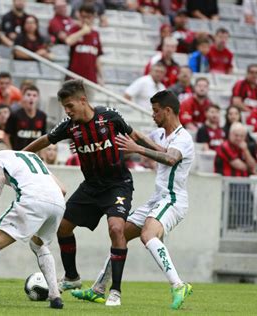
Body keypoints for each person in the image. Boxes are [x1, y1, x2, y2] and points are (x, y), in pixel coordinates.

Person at [22, 79, 158, 306]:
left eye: (70, 106)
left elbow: (137, 136)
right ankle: (72, 277)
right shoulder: (70, 126)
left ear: (83, 100)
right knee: (63, 227)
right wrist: (17, 155)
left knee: (116, 229)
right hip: (91, 187)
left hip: (118, 184)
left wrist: (161, 153)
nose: (67, 111)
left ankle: (115, 291)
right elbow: (45, 140)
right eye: (65, 107)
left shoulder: (109, 117)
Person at [70, 90, 195, 310]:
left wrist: (139, 149)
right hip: (157, 198)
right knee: (121, 235)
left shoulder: (183, 138)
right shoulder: (159, 135)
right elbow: (124, 147)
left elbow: (171, 158)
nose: (152, 115)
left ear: (168, 111)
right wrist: (87, 147)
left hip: (173, 199)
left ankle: (178, 285)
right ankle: (99, 289)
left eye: (156, 111)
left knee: (148, 235)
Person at [0, 141, 66, 309]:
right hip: (58, 203)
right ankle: (55, 296)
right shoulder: (32, 156)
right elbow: (63, 189)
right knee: (39, 245)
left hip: (33, 199)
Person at [66, 4, 103, 84]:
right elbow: (68, 41)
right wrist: (83, 31)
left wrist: (100, 76)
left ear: (93, 17)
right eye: (83, 16)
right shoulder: (74, 29)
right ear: (79, 15)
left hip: (91, 78)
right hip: (74, 76)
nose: (86, 20)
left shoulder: (95, 34)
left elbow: (97, 57)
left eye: (89, 17)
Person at [4, 85, 46, 150]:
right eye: (28, 95)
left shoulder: (42, 116)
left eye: (34, 95)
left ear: (38, 98)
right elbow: (6, 136)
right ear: (23, 97)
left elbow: (43, 138)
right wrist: (11, 152)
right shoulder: (14, 115)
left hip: (34, 154)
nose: (31, 98)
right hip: (18, 153)